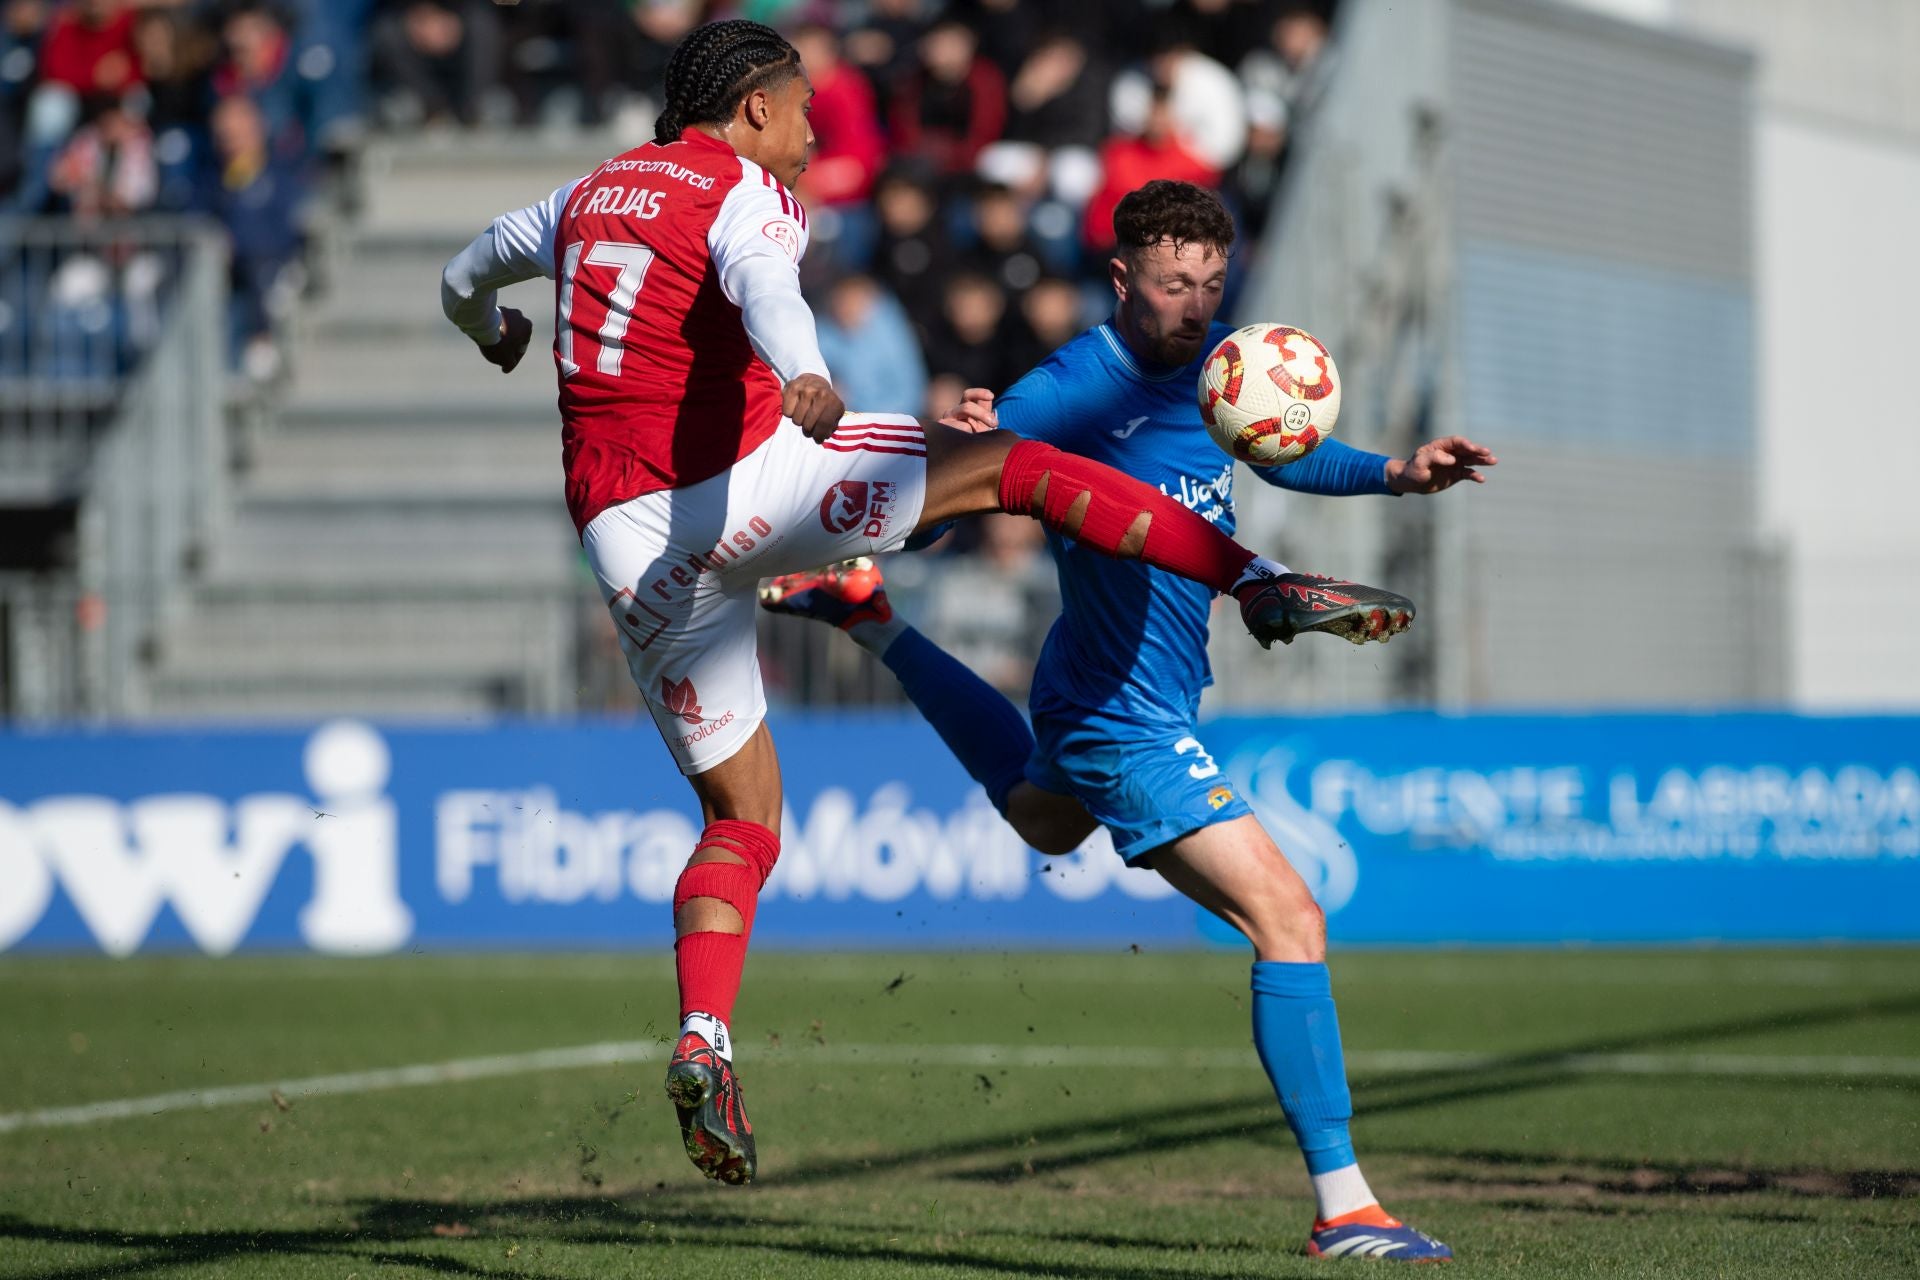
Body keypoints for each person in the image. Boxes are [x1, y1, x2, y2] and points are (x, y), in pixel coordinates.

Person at [438, 21, 1413, 1191]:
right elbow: (761, 283)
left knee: (741, 818)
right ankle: (1257, 579)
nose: (811, 133)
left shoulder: (583, 193)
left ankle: (705, 1034)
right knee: (1012, 466)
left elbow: (465, 270)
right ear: (752, 108)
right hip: (752, 480)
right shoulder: (747, 189)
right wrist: (800, 365)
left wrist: (495, 329)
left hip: (626, 541)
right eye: (801, 109)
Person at [762, 180, 1494, 1260]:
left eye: (1209, 283)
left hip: (1095, 683)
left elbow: (1285, 448)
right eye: (1172, 284)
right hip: (1123, 714)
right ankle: (1347, 1206)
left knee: (1044, 820)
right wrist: (968, 436)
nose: (1195, 305)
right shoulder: (1071, 386)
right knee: (1289, 918)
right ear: (1122, 280)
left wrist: (1394, 471)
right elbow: (970, 475)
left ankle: (871, 625)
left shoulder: (1222, 378)